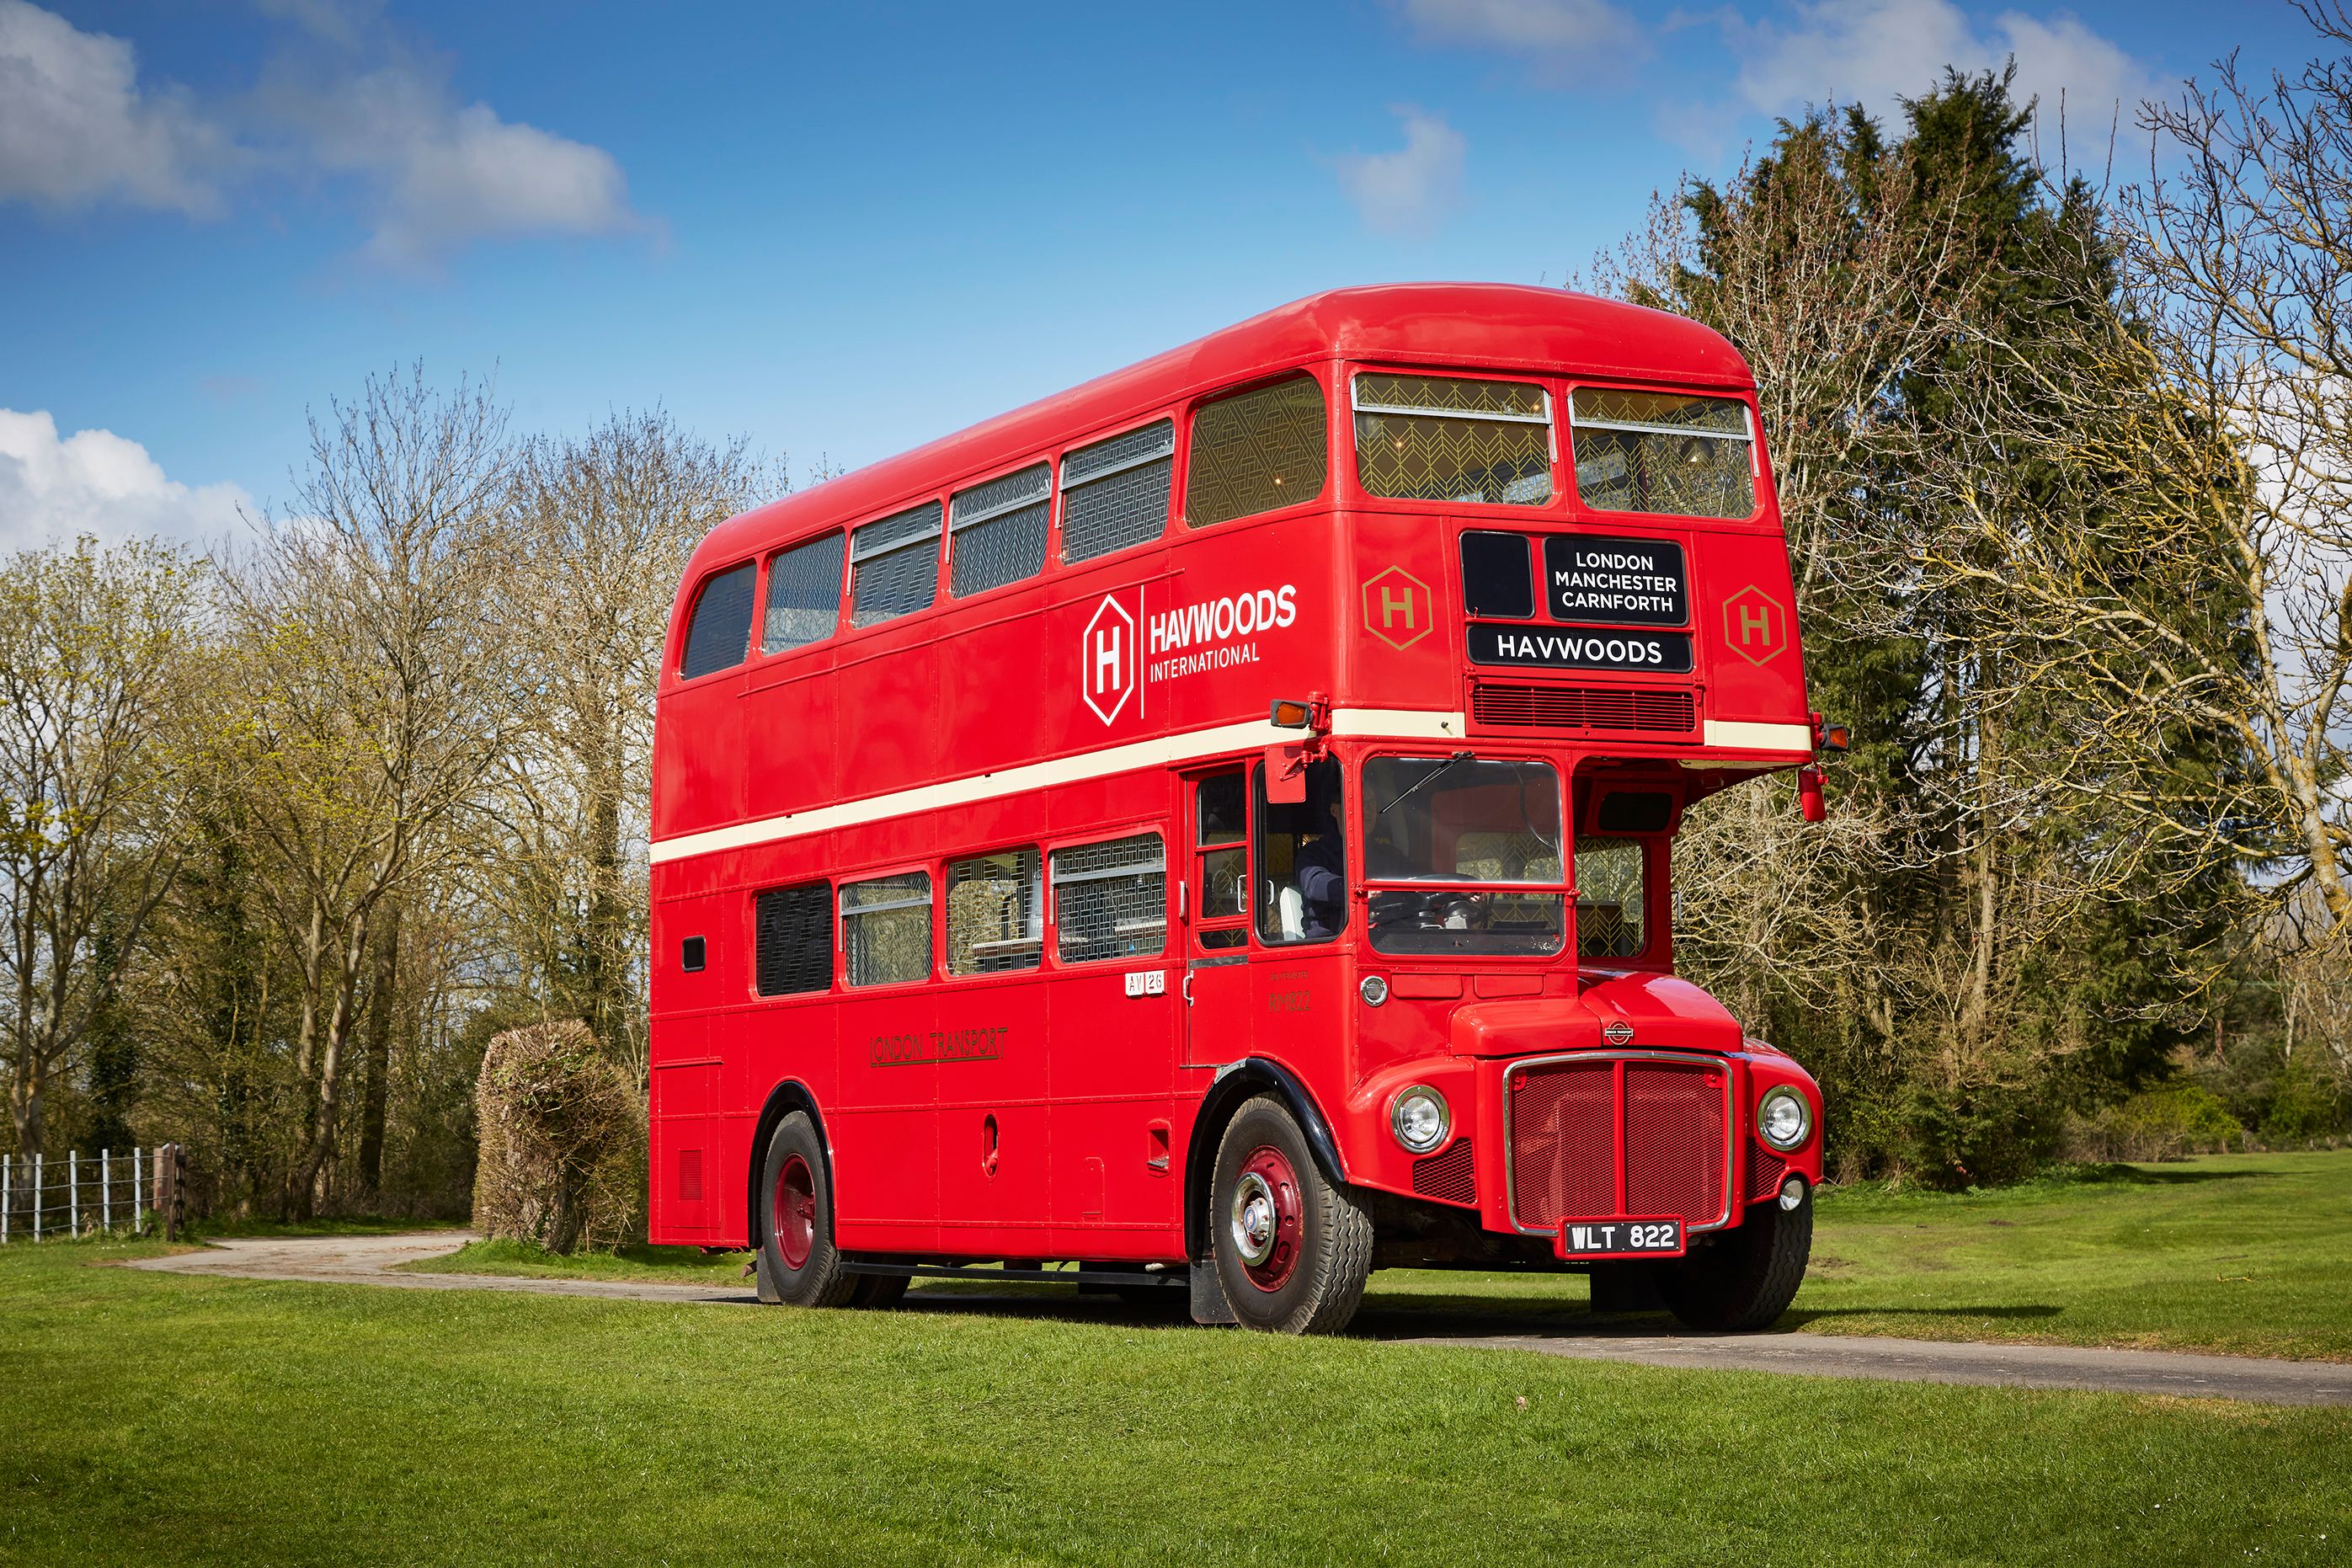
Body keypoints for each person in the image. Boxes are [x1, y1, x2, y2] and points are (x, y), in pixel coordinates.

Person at [1292, 797, 1346, 940]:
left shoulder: (1384, 851)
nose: (1369, 810)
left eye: (1372, 803)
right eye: (1362, 803)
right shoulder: (1313, 853)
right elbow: (1314, 883)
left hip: (1384, 931)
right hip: (1331, 940)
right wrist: (1357, 889)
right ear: (1335, 810)